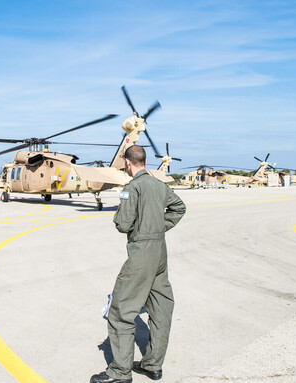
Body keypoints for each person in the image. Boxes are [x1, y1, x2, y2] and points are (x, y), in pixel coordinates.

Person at [91, 145, 186, 383]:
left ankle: (120, 372)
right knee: (161, 308)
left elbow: (123, 224)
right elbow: (179, 207)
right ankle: (153, 365)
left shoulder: (132, 187)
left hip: (142, 253)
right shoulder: (158, 184)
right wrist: (158, 227)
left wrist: (140, 229)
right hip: (160, 252)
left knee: (121, 311)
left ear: (127, 163)